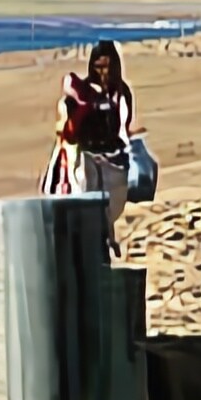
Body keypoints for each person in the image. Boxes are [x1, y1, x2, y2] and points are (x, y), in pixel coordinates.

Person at [40, 39, 136, 257]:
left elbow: (123, 125)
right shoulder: (83, 93)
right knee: (87, 210)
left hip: (111, 163)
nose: (103, 73)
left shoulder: (121, 93)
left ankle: (105, 242)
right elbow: (68, 130)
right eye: (99, 67)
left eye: (108, 67)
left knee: (106, 212)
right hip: (85, 161)